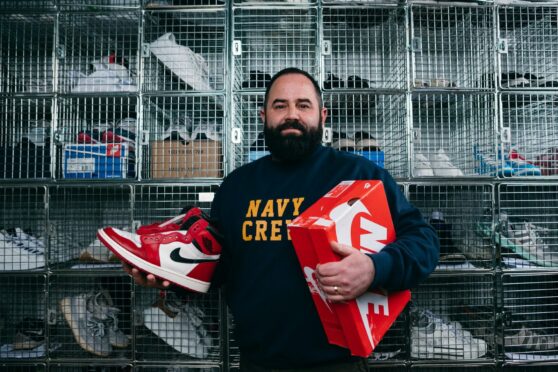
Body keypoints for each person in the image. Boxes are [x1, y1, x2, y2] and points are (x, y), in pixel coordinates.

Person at [125, 67, 439, 371]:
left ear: (322, 116)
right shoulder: (236, 187)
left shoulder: (361, 175)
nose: (292, 114)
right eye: (280, 105)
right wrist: (170, 277)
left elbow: (423, 243)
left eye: (303, 105)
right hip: (258, 363)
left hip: (338, 364)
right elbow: (218, 271)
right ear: (263, 117)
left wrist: (374, 268)